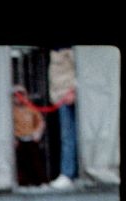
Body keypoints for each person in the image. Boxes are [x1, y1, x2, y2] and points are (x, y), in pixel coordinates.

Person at [48, 46, 78, 187]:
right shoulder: (56, 53)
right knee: (66, 135)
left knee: (69, 135)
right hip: (61, 97)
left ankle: (68, 173)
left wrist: (74, 89)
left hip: (69, 96)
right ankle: (69, 173)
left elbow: (81, 69)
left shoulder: (70, 51)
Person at [12, 86, 48, 187]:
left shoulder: (31, 108)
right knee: (21, 163)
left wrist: (38, 133)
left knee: (36, 161)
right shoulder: (11, 111)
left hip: (31, 139)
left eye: (21, 95)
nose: (18, 98)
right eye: (16, 96)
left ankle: (40, 182)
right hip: (19, 140)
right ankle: (23, 183)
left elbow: (40, 121)